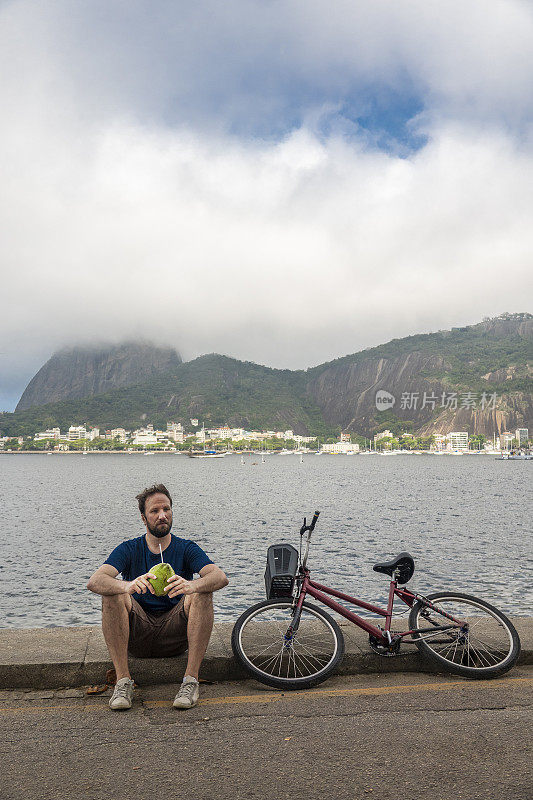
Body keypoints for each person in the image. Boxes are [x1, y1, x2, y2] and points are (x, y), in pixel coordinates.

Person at [87, 483, 228, 711]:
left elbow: (220, 577)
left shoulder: (186, 548)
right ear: (143, 518)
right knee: (111, 594)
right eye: (154, 511)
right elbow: (95, 581)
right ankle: (123, 683)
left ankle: (190, 681)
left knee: (203, 593)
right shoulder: (129, 548)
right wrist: (128, 586)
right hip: (137, 635)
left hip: (175, 634)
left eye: (166, 509)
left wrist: (191, 586)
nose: (162, 516)